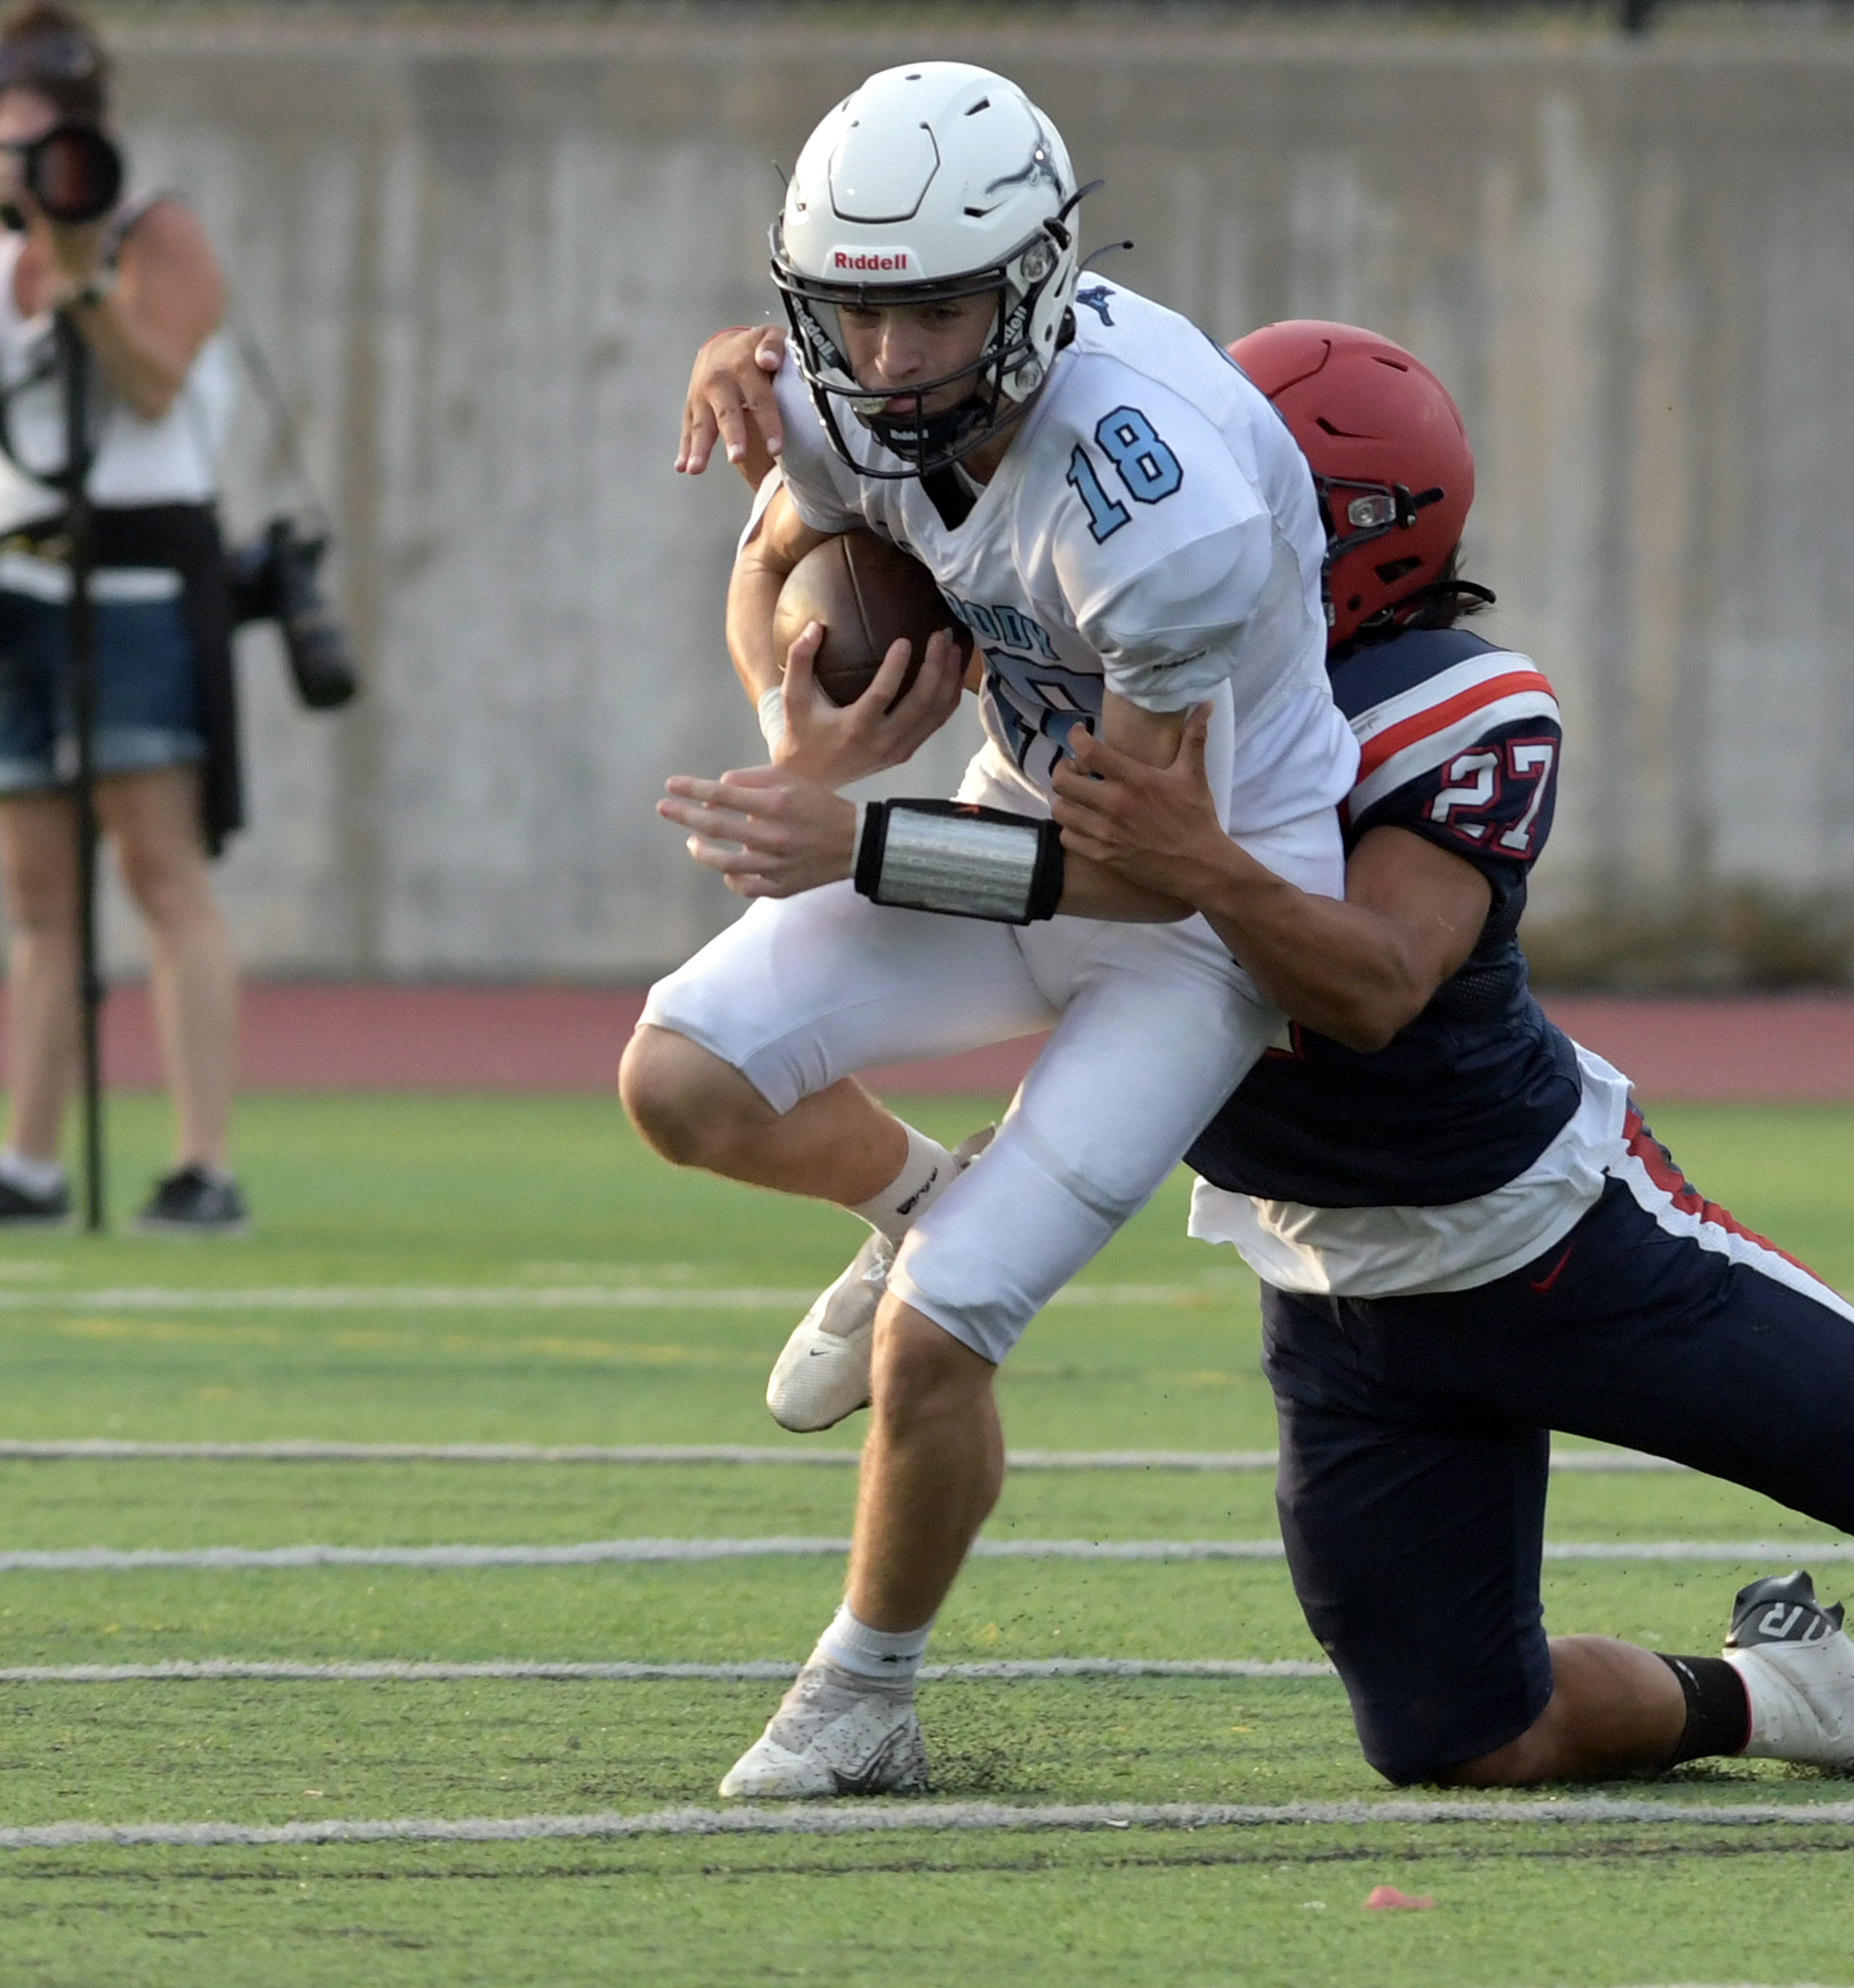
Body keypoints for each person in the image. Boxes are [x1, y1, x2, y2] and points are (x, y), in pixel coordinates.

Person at [682, 318, 1854, 1793]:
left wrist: (1170, 856)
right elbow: (964, 677)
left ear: (1333, 540)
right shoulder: (1140, 611)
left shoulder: (1449, 704)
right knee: (1460, 1735)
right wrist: (802, 424)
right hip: (1331, 1278)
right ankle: (1787, 1696)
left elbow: (1358, 981)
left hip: (1539, 1232)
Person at [635, 63, 1357, 1798]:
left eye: (937, 311)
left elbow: (1158, 865)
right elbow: (778, 560)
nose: (886, 363)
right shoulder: (827, 365)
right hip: (1016, 816)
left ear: (1032, 281)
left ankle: (864, 1689)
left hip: (1202, 909)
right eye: (855, 314)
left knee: (942, 1330)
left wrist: (860, 840)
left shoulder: (1149, 496)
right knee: (682, 1075)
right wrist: (793, 718)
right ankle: (913, 1195)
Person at [0, 3, 246, 1234]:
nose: (25, 146)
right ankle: (29, 1164)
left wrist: (80, 259)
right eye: (4, 126)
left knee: (161, 871)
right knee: (37, 894)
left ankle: (204, 1166)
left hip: (142, 585)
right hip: (17, 585)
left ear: (89, 123)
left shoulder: (156, 229)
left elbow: (153, 381)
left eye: (45, 125)